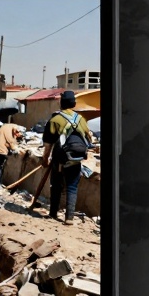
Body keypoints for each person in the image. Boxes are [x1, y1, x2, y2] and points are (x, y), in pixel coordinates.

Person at [43, 90, 95, 225]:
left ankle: (53, 213)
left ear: (61, 103)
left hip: (60, 158)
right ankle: (69, 218)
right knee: (72, 187)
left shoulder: (55, 119)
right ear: (74, 104)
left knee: (56, 186)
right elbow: (89, 139)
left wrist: (45, 159)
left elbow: (48, 144)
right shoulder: (81, 119)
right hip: (76, 158)